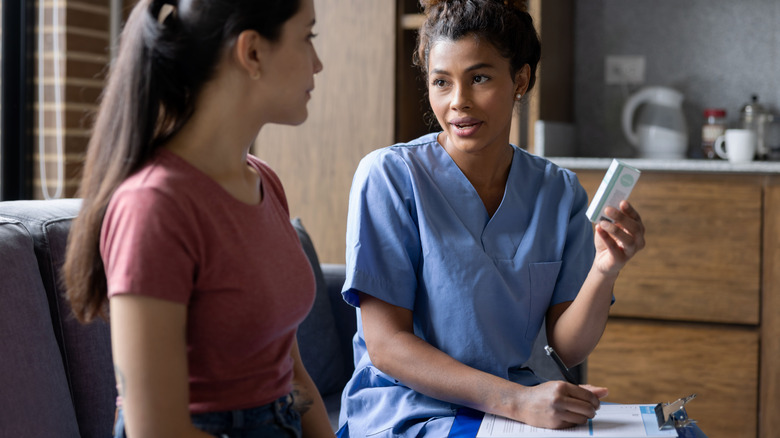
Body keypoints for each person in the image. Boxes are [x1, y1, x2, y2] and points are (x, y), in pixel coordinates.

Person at [336, 0, 646, 436]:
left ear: (521, 79)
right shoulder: (390, 177)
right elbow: (387, 347)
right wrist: (519, 401)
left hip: (513, 409)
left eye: (479, 78)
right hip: (411, 409)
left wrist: (604, 269)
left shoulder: (558, 192)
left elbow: (567, 346)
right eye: (441, 82)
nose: (458, 102)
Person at [62, 0, 333, 437]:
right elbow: (156, 431)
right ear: (253, 53)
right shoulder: (153, 206)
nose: (318, 65)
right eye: (308, 38)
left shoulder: (264, 182)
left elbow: (290, 374)